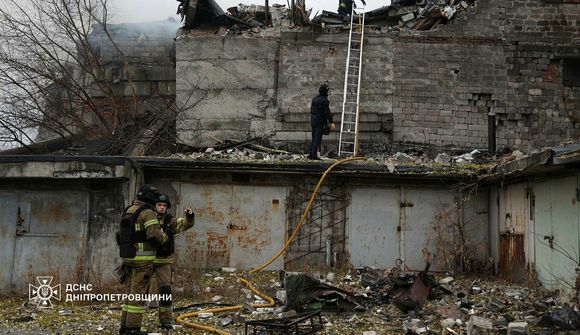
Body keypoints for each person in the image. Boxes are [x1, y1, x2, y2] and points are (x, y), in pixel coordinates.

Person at [119, 184, 168, 335]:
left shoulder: (128, 210)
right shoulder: (147, 213)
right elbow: (154, 235)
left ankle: (124, 327)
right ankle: (133, 329)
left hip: (128, 258)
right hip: (143, 261)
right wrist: (164, 237)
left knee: (129, 293)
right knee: (138, 295)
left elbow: (119, 235)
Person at [150, 193, 196, 330]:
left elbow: (184, 224)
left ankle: (165, 321)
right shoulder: (147, 218)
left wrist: (190, 216)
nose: (162, 208)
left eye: (164, 205)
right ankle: (133, 323)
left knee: (165, 290)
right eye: (159, 205)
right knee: (139, 290)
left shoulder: (169, 221)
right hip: (145, 260)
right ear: (154, 206)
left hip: (163, 260)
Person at [309, 84, 336, 160]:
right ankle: (314, 155)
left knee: (314, 138)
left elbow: (312, 110)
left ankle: (311, 153)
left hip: (313, 120)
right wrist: (331, 122)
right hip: (319, 121)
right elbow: (327, 112)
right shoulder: (324, 100)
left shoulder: (315, 99)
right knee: (317, 138)